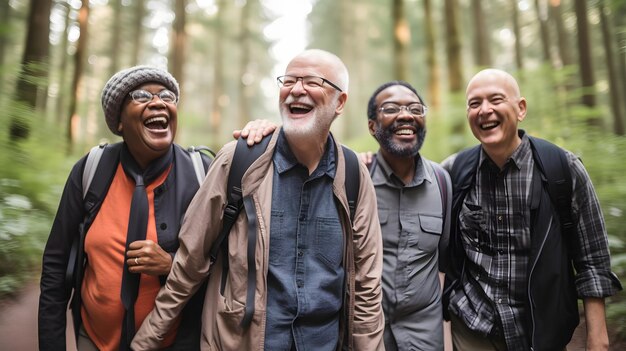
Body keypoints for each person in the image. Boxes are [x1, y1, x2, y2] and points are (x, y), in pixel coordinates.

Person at [131, 49, 385, 351]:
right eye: (289, 80)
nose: (296, 89)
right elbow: (189, 265)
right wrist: (143, 344)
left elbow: (366, 288)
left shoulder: (354, 176)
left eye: (313, 82)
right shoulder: (238, 161)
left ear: (340, 102)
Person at [37, 65, 273, 351]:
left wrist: (172, 264)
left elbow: (232, 265)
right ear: (119, 121)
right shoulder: (91, 170)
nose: (159, 102)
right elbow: (55, 265)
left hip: (176, 341)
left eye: (167, 96)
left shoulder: (204, 174)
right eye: (140, 96)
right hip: (94, 339)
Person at [441, 68, 622, 350]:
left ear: (520, 108)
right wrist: (372, 165)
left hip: (542, 332)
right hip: (472, 329)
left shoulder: (562, 169)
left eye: (496, 100)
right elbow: (411, 186)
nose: (484, 110)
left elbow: (592, 259)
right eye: (474, 103)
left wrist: (597, 339)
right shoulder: (454, 172)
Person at [366, 81, 451, 350]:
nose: (406, 115)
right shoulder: (356, 178)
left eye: (415, 108)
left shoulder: (442, 182)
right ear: (372, 126)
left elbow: (444, 258)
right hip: (366, 330)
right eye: (391, 108)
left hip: (424, 333)